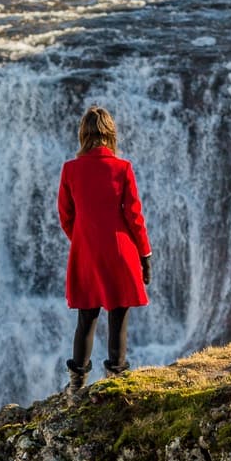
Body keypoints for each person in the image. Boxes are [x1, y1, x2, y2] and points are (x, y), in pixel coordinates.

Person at [55, 106, 151, 391]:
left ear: (83, 134)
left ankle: (76, 387)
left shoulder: (70, 169)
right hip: (121, 250)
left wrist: (83, 240)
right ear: (110, 134)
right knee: (118, 313)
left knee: (86, 316)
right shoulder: (122, 168)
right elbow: (134, 215)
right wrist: (145, 255)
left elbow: (66, 215)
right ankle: (116, 382)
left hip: (85, 250)